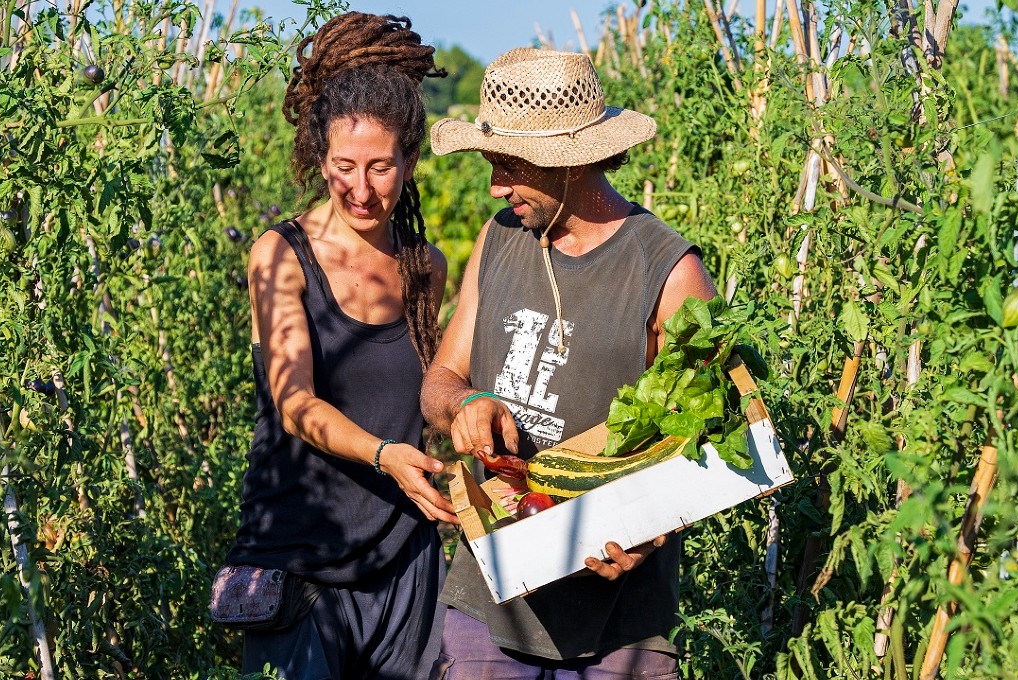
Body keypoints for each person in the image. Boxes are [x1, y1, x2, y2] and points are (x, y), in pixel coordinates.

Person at [419, 48, 718, 678]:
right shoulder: (500, 238)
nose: (495, 186)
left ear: (572, 162)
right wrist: (465, 404)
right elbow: (440, 381)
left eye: (510, 166)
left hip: (619, 631)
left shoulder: (667, 270)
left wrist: (648, 531)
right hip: (488, 611)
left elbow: (709, 438)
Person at [223, 12, 456, 680]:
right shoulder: (281, 255)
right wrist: (384, 455)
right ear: (318, 159)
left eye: (381, 167)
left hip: (405, 566)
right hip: (302, 565)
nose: (361, 188)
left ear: (410, 161)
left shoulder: (424, 268)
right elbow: (294, 404)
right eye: (343, 167)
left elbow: (430, 398)